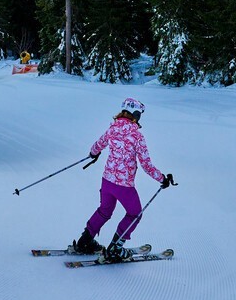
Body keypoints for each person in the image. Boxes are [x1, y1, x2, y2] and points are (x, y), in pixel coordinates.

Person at [73, 97, 175, 261]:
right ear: (136, 115)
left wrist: (93, 153)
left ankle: (84, 241)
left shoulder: (112, 128)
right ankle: (115, 248)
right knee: (134, 213)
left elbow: (98, 145)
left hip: (107, 181)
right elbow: (146, 165)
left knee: (104, 211)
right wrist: (162, 179)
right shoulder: (137, 136)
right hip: (123, 185)